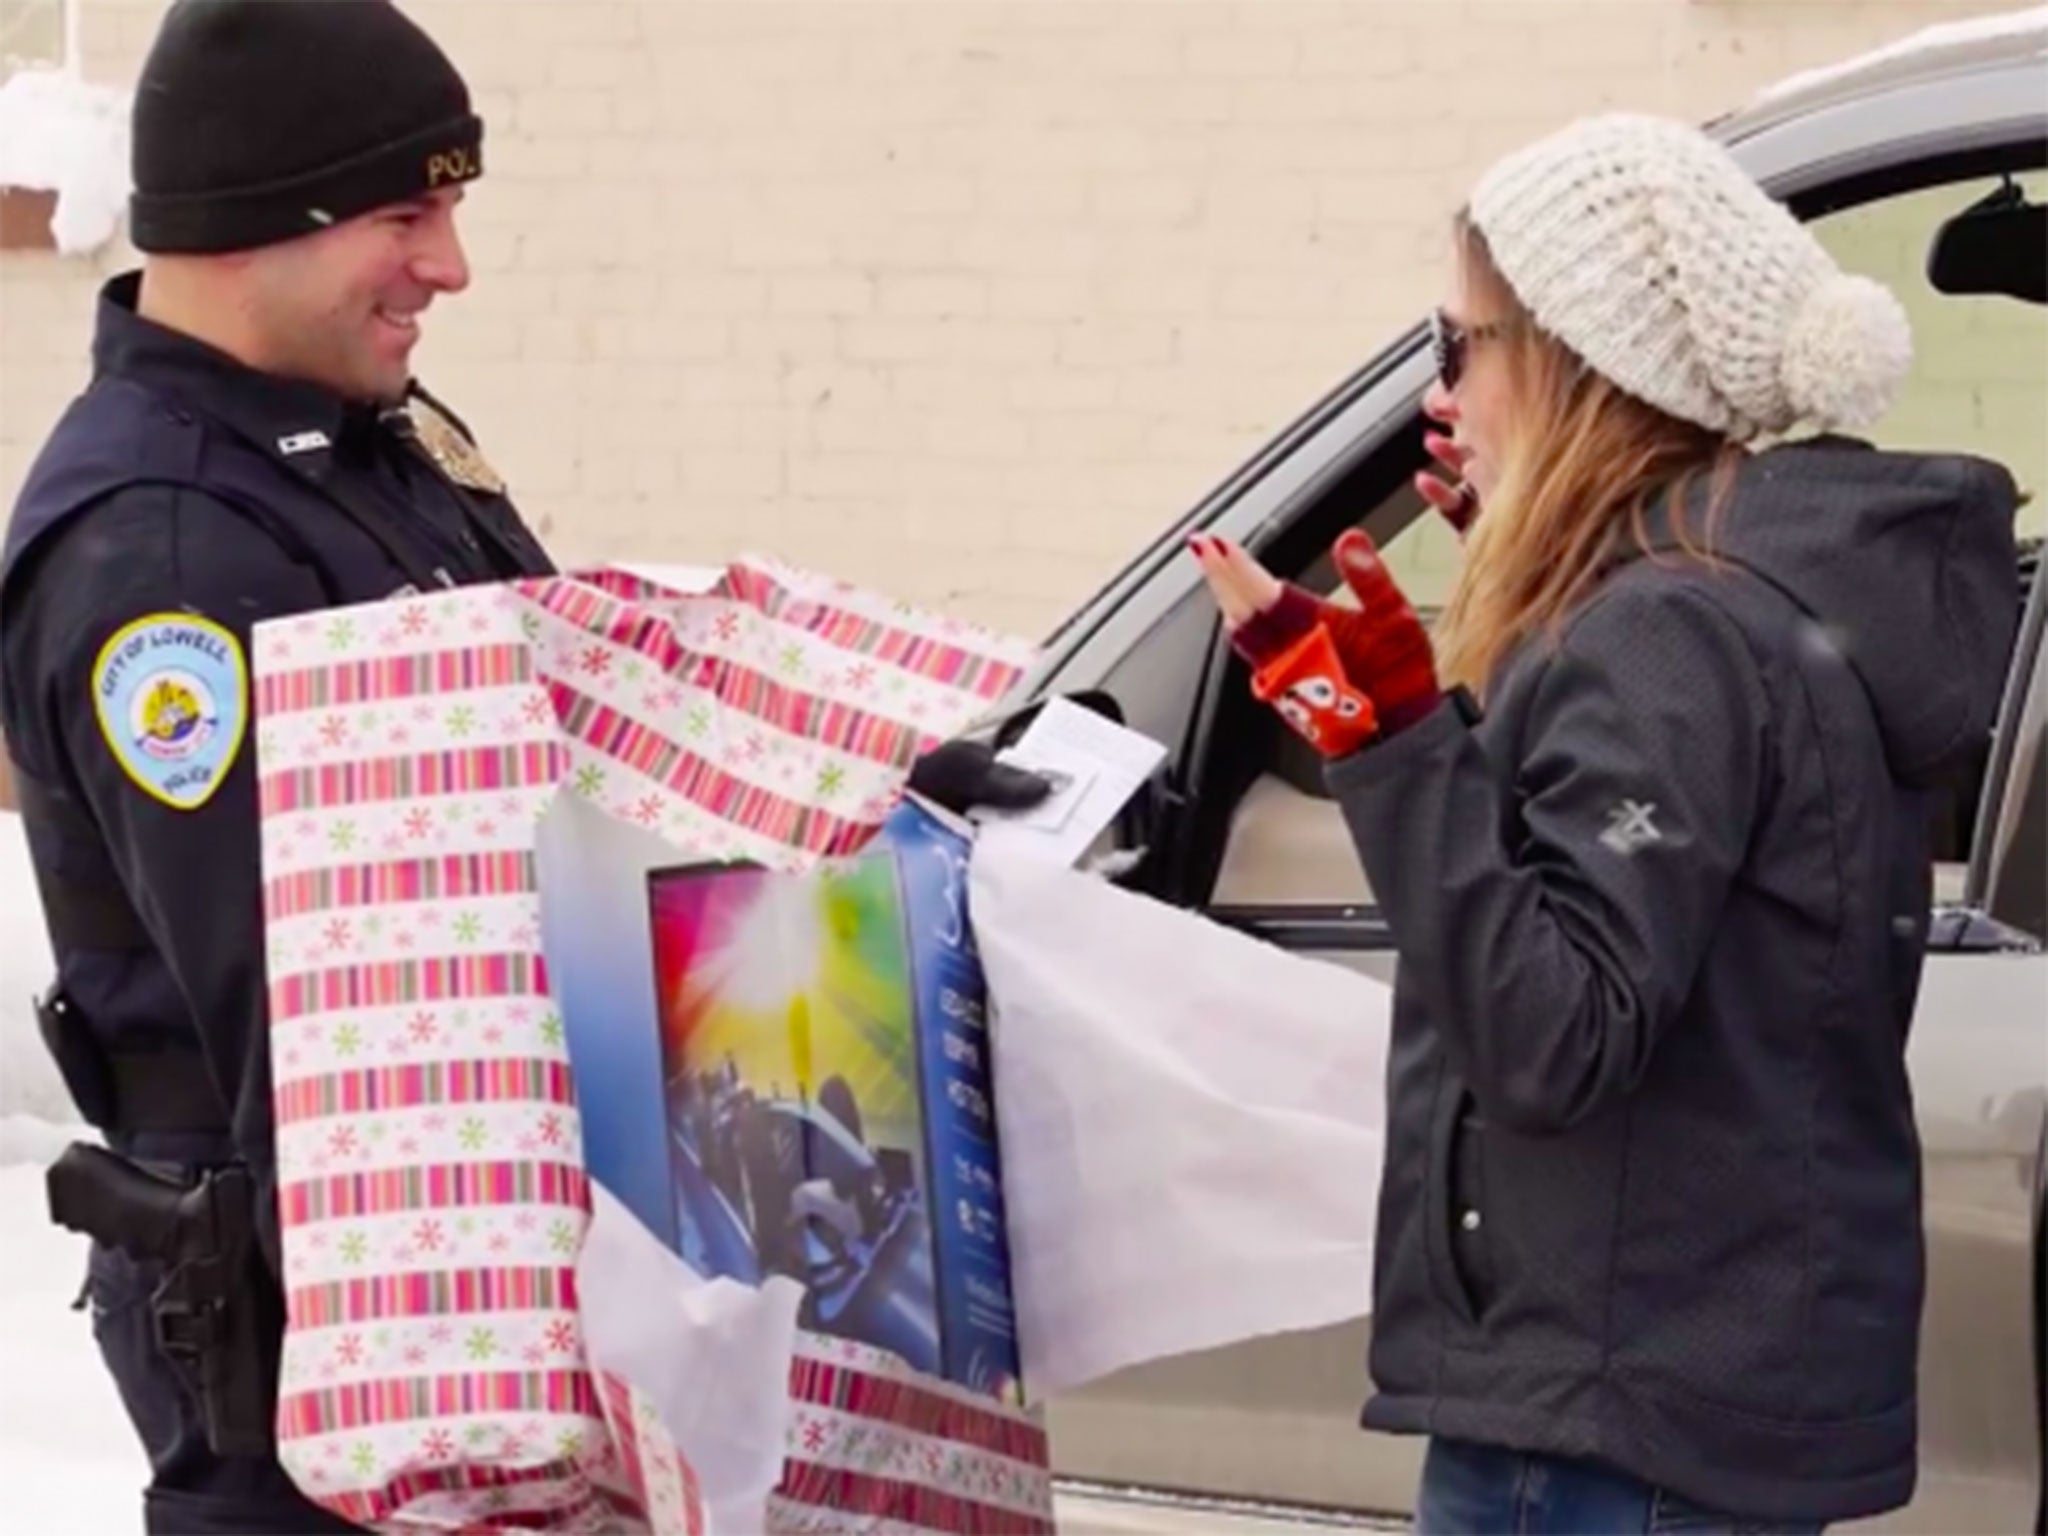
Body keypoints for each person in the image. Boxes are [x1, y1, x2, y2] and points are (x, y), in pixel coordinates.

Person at [1194, 113, 2019, 1534]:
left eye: (1463, 345)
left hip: (1601, 1438)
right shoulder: (1730, 614)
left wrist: (1388, 736)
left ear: (1576, 364)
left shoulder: (1667, 640)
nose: (1442, 392)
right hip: (1681, 1404)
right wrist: (1532, 625)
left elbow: (1549, 1032)